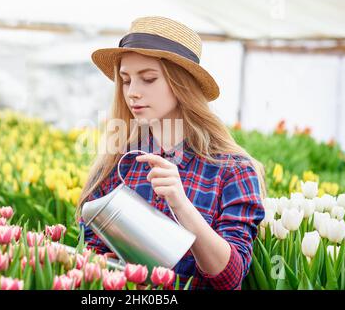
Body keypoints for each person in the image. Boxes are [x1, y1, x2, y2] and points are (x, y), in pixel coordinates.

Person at [76, 16, 265, 290]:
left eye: (148, 79)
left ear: (182, 85)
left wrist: (181, 205)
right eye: (126, 80)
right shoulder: (118, 163)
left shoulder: (232, 170)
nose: (133, 93)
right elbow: (90, 251)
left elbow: (230, 277)